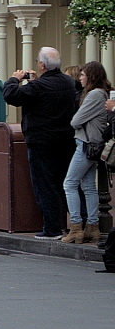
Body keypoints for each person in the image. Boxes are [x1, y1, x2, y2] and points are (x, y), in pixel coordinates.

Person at [3, 47, 78, 240]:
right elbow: (44, 94)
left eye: (38, 61)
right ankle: (80, 222)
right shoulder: (68, 82)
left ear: (42, 65)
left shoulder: (39, 87)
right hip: (66, 140)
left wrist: (14, 79)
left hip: (41, 141)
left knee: (44, 184)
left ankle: (52, 228)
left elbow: (11, 96)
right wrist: (36, 81)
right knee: (66, 183)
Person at [61, 61, 109, 243]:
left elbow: (75, 121)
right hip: (94, 144)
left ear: (91, 76)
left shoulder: (94, 95)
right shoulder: (103, 93)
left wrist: (79, 121)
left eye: (83, 75)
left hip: (85, 144)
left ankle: (75, 227)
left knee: (70, 183)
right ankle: (92, 226)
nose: (80, 78)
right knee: (88, 186)